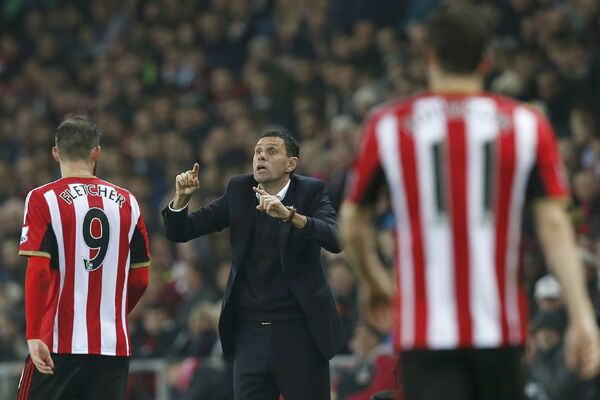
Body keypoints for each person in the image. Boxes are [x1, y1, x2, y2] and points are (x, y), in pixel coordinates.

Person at [339, 4, 600, 400]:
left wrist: (374, 281)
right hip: (501, 331)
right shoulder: (527, 125)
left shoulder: (387, 125)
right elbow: (554, 226)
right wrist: (582, 315)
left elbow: (353, 224)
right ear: (487, 61)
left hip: (424, 332)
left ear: (429, 56)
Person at [162, 128, 346, 400]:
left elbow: (336, 238)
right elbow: (181, 232)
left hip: (299, 330)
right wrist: (181, 200)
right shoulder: (239, 190)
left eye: (271, 151)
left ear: (291, 164)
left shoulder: (310, 191)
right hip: (250, 333)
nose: (261, 156)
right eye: (258, 151)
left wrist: (291, 216)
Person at [17, 116, 150, 399]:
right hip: (112, 346)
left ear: (56, 152)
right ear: (96, 153)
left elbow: (38, 271)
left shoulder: (42, 198)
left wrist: (33, 333)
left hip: (57, 341)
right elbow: (140, 279)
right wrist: (110, 313)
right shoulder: (128, 202)